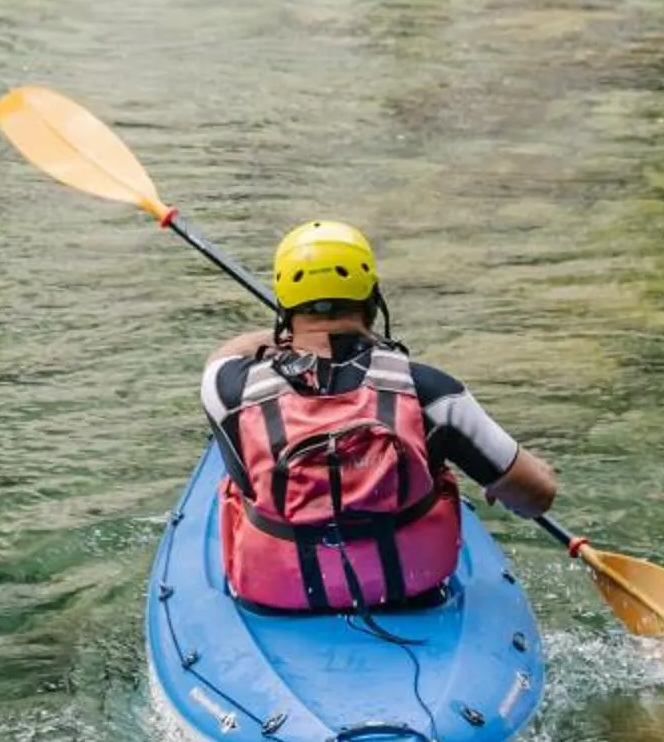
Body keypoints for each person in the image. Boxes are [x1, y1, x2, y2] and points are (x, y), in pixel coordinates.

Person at [201, 219, 559, 613]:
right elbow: (537, 496)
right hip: (412, 595)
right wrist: (508, 483)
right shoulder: (430, 391)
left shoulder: (228, 390)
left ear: (285, 308)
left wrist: (284, 339)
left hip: (278, 598)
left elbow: (224, 357)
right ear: (374, 298)